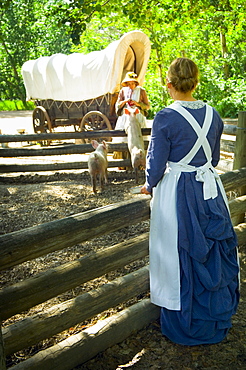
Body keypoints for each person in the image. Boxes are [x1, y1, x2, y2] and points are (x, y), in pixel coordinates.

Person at [141, 58, 240, 345]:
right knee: (212, 250)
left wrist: (149, 185)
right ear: (196, 83)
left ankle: (185, 323)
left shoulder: (165, 117)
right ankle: (214, 316)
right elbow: (215, 159)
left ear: (169, 85)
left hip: (180, 192)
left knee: (179, 250)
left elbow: (156, 163)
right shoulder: (214, 114)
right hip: (210, 191)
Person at [112, 71, 150, 166]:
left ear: (135, 83)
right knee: (123, 137)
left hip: (137, 115)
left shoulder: (141, 91)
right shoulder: (123, 91)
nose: (131, 85)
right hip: (126, 116)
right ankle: (123, 162)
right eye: (129, 83)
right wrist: (124, 102)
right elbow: (117, 104)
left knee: (138, 136)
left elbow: (147, 106)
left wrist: (137, 104)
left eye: (132, 83)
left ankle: (140, 161)